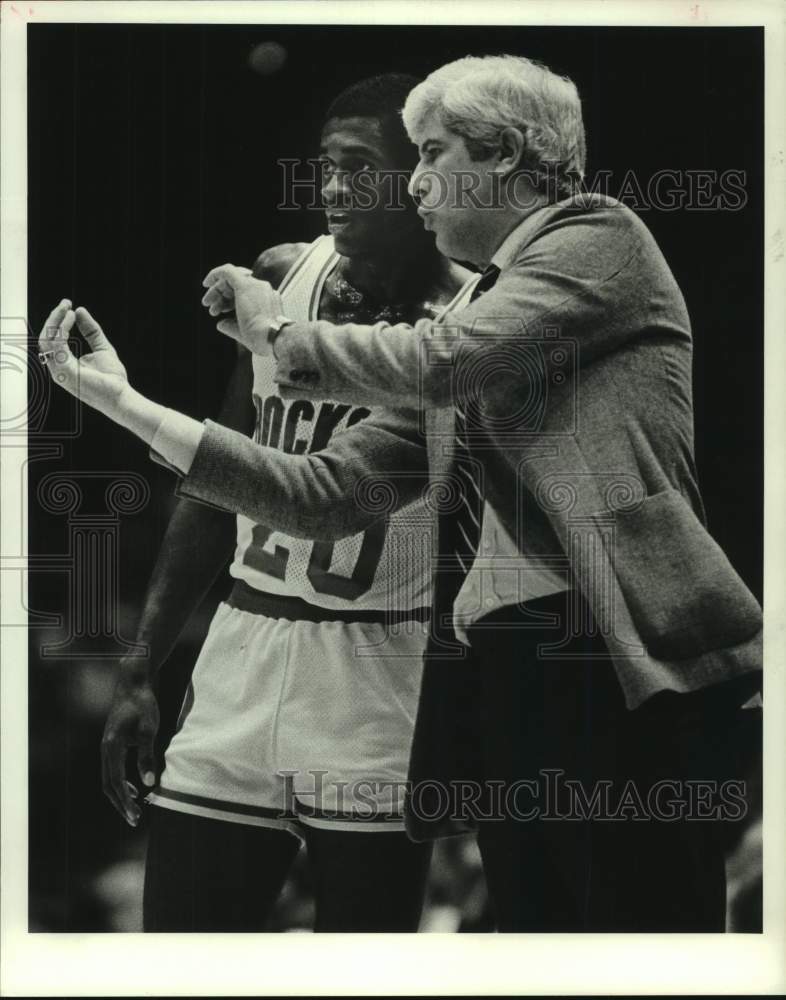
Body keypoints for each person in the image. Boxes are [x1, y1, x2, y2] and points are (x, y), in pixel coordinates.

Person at [195, 55, 764, 931]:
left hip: (608, 650)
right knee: (539, 947)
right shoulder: (479, 314)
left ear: (503, 155)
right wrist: (118, 404)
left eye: (432, 152)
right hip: (506, 664)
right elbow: (327, 492)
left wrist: (276, 327)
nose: (416, 184)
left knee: (647, 939)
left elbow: (443, 364)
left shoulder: (599, 236)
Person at [40, 73, 475, 932]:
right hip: (244, 647)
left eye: (360, 165)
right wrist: (140, 665)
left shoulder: (468, 318)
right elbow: (215, 483)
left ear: (418, 180)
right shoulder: (282, 276)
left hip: (379, 674)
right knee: (183, 956)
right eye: (325, 164)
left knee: (362, 970)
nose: (334, 186)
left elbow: (361, 505)